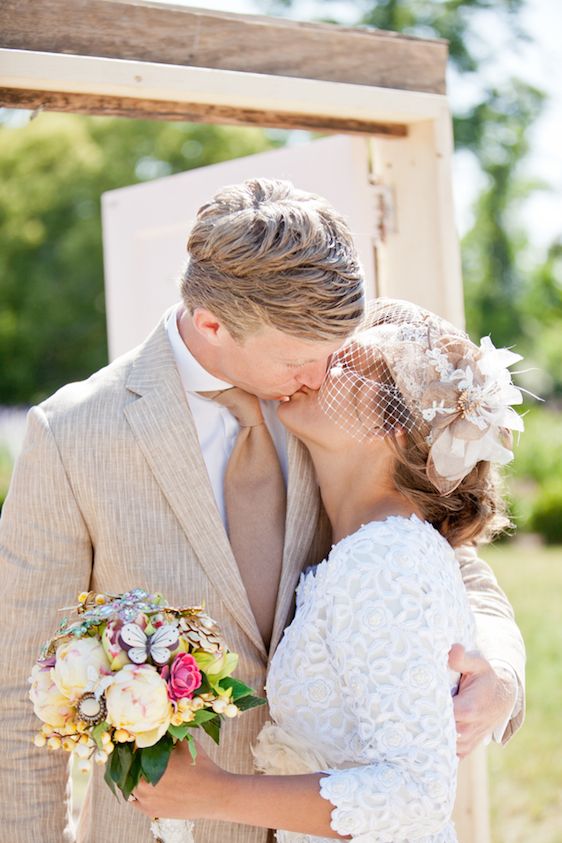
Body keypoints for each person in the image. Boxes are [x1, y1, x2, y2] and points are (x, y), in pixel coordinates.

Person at [0, 180, 523, 843]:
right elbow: (18, 702)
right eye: (302, 359)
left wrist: (502, 674)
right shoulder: (72, 435)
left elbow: (449, 560)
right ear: (212, 322)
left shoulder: (330, 414)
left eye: (335, 349)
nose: (325, 373)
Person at [133, 298, 525, 842]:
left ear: (398, 431)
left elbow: (416, 795)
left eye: (347, 368)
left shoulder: (386, 562)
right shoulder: (377, 546)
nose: (319, 367)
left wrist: (211, 792)